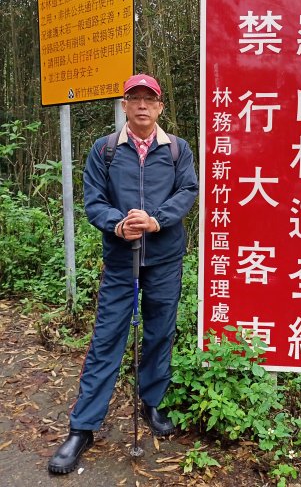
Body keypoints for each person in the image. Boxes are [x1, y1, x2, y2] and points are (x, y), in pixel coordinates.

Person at [48, 74, 198, 474]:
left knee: (159, 333)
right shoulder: (105, 151)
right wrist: (118, 224)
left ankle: (151, 402)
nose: (143, 105)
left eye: (150, 99)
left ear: (160, 107)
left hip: (165, 259)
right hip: (120, 260)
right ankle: (83, 426)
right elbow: (93, 200)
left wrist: (156, 220)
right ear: (125, 106)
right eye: (135, 99)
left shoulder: (178, 150)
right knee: (107, 338)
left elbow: (188, 191)